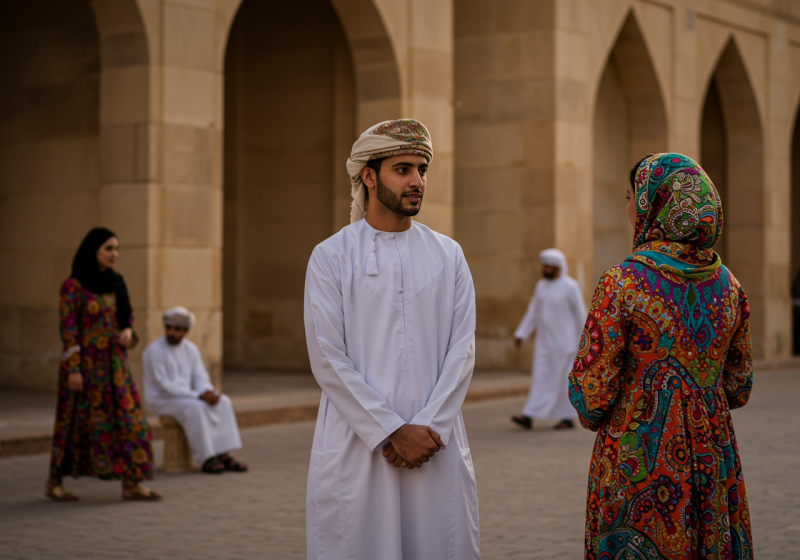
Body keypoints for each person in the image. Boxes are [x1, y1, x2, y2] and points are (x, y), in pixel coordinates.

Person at [303, 119, 480, 560]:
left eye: (422, 169)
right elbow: (327, 356)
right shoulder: (331, 256)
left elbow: (462, 350)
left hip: (434, 443)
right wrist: (390, 431)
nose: (417, 181)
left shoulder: (448, 255)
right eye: (403, 169)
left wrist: (427, 428)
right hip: (359, 447)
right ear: (368, 175)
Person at [569, 153, 753, 559]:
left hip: (637, 458)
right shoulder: (730, 286)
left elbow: (591, 394)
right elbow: (740, 387)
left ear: (654, 202)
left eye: (634, 196)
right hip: (712, 456)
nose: (631, 205)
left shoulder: (621, 283)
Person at [46, 228, 160, 501]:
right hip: (84, 368)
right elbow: (69, 330)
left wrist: (129, 333)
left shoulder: (116, 282)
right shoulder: (73, 286)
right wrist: (74, 369)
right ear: (93, 250)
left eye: (117, 249)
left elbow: (127, 318)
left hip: (115, 368)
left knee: (131, 421)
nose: (114, 255)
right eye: (109, 248)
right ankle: (54, 482)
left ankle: (131, 483)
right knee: (73, 424)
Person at [143, 307, 246, 474]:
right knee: (196, 408)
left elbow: (200, 378)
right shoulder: (154, 351)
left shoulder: (191, 349)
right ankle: (207, 458)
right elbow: (164, 386)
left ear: (186, 331)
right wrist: (199, 395)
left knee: (223, 401)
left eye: (177, 329)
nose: (172, 332)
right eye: (169, 327)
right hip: (161, 399)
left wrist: (209, 392)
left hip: (185, 397)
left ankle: (224, 454)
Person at [511, 248, 585, 430]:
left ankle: (567, 418)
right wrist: (521, 333)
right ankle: (528, 415)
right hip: (544, 344)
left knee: (562, 383)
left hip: (566, 345)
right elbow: (533, 312)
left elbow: (581, 315)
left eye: (547, 267)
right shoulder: (541, 286)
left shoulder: (570, 286)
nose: (543, 269)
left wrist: (583, 343)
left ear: (557, 267)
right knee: (540, 378)